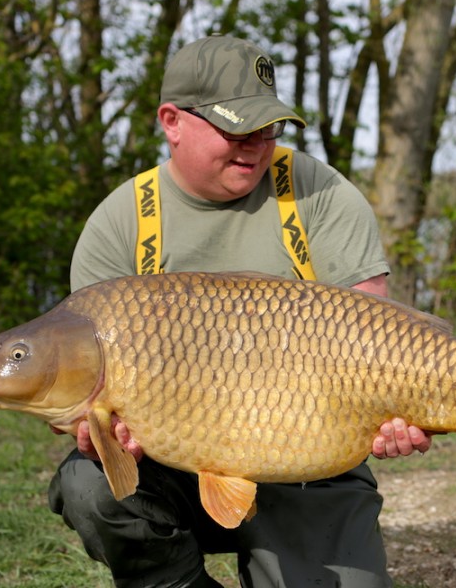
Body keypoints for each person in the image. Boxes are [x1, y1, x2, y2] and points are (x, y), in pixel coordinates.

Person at [48, 34, 432, 588]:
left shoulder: (321, 197)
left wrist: (398, 414)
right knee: (91, 484)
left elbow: (379, 343)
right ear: (171, 121)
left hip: (306, 460)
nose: (255, 146)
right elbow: (84, 389)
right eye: (235, 129)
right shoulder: (120, 225)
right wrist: (98, 432)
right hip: (174, 465)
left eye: (267, 128)